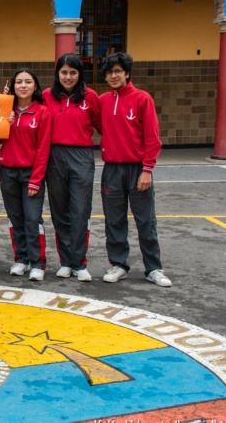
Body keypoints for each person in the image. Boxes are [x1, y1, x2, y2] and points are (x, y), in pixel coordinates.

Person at [98, 52, 171, 287]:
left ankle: (154, 268)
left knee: (145, 221)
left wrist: (147, 169)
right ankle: (119, 264)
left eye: (118, 71)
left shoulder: (142, 99)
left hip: (138, 169)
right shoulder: (103, 101)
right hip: (112, 170)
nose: (114, 75)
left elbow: (152, 137)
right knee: (114, 221)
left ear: (127, 73)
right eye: (109, 72)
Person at [42, 54, 102, 282]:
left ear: (80, 75)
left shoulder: (91, 97)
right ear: (57, 73)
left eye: (73, 73)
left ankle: (79, 262)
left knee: (80, 211)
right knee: (60, 212)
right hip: (54, 156)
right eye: (64, 72)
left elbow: (103, 126)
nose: (68, 77)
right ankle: (66, 261)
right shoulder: (47, 96)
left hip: (81, 156)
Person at [0, 68, 51, 281]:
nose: (23, 85)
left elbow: (43, 149)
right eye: (18, 82)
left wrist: (36, 180)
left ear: (35, 86)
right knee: (15, 218)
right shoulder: (5, 111)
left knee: (32, 219)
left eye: (27, 82)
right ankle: (21, 259)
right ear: (12, 87)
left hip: (31, 173)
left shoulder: (42, 112)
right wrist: (4, 122)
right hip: (8, 172)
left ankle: (38, 262)